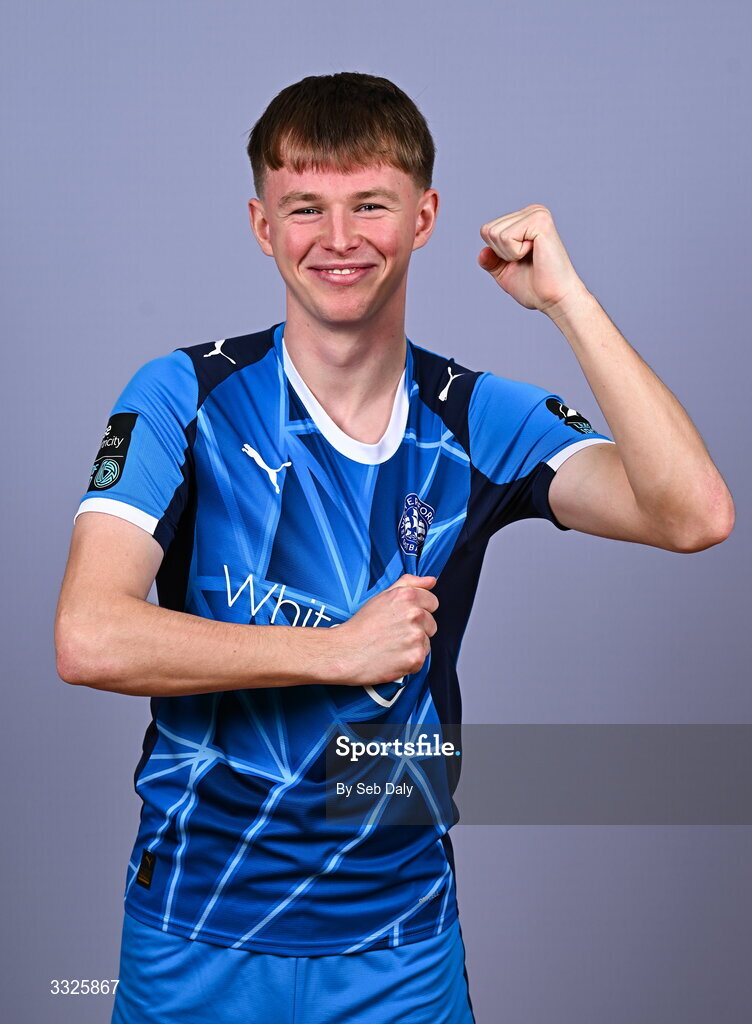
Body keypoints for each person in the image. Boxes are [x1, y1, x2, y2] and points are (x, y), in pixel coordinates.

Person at [54, 71, 734, 1024]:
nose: (338, 240)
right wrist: (334, 651)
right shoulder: (181, 394)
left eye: (370, 204)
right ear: (262, 224)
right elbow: (89, 636)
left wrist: (566, 300)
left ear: (424, 217)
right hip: (193, 931)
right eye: (306, 208)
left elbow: (692, 515)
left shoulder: (474, 416)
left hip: (399, 943)